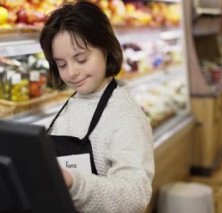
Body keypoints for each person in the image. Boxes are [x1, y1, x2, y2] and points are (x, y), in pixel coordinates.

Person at [39, 1, 154, 213]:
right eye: (61, 64)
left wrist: (74, 183)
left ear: (106, 48)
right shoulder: (73, 103)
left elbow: (136, 196)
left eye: (81, 59)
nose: (71, 72)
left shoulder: (126, 117)